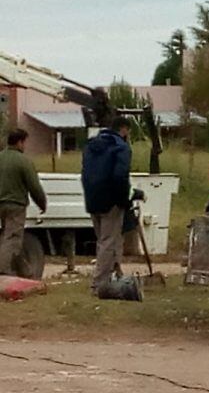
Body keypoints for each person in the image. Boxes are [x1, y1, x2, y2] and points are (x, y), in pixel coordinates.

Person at [81, 117, 132, 293]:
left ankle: (116, 275)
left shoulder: (90, 146)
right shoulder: (121, 147)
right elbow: (120, 176)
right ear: (124, 129)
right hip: (111, 201)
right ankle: (99, 284)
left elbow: (84, 173)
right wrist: (124, 199)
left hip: (92, 199)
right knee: (108, 242)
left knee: (105, 240)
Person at [0, 129, 47, 277]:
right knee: (13, 238)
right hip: (16, 204)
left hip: (1, 204)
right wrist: (42, 204)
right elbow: (34, 187)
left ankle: (25, 272)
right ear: (20, 142)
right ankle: (3, 271)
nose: (25, 146)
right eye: (24, 143)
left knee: (10, 236)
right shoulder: (23, 161)